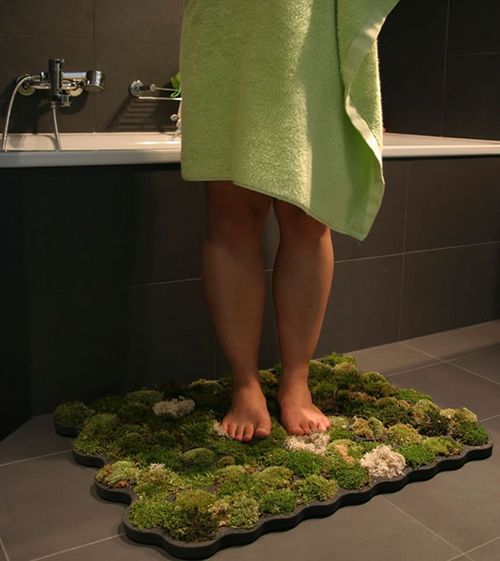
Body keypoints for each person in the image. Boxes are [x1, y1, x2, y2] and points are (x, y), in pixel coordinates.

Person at [179, 0, 399, 442]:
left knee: (308, 217)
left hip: (308, 33)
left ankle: (297, 381)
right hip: (229, 28)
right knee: (233, 218)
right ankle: (245, 383)